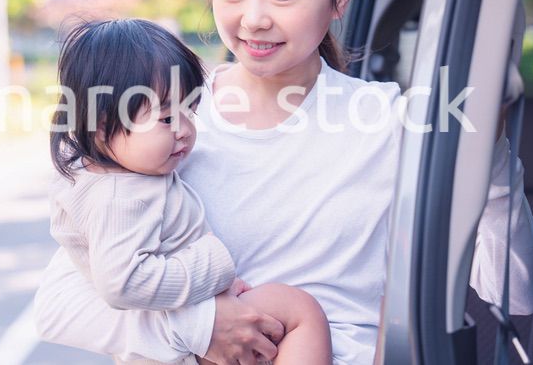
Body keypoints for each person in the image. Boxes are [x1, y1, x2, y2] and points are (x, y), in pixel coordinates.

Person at [35, 0, 533, 365]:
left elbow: (516, 291)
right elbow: (60, 306)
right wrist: (203, 329)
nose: (253, 18)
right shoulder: (161, 121)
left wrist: (490, 154)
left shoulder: (393, 123)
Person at [48, 19, 331, 364]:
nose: (184, 130)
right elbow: (122, 283)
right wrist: (213, 267)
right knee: (299, 310)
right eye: (166, 119)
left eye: (191, 111)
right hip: (187, 338)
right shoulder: (119, 196)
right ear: (104, 127)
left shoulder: (112, 175)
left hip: (184, 332)